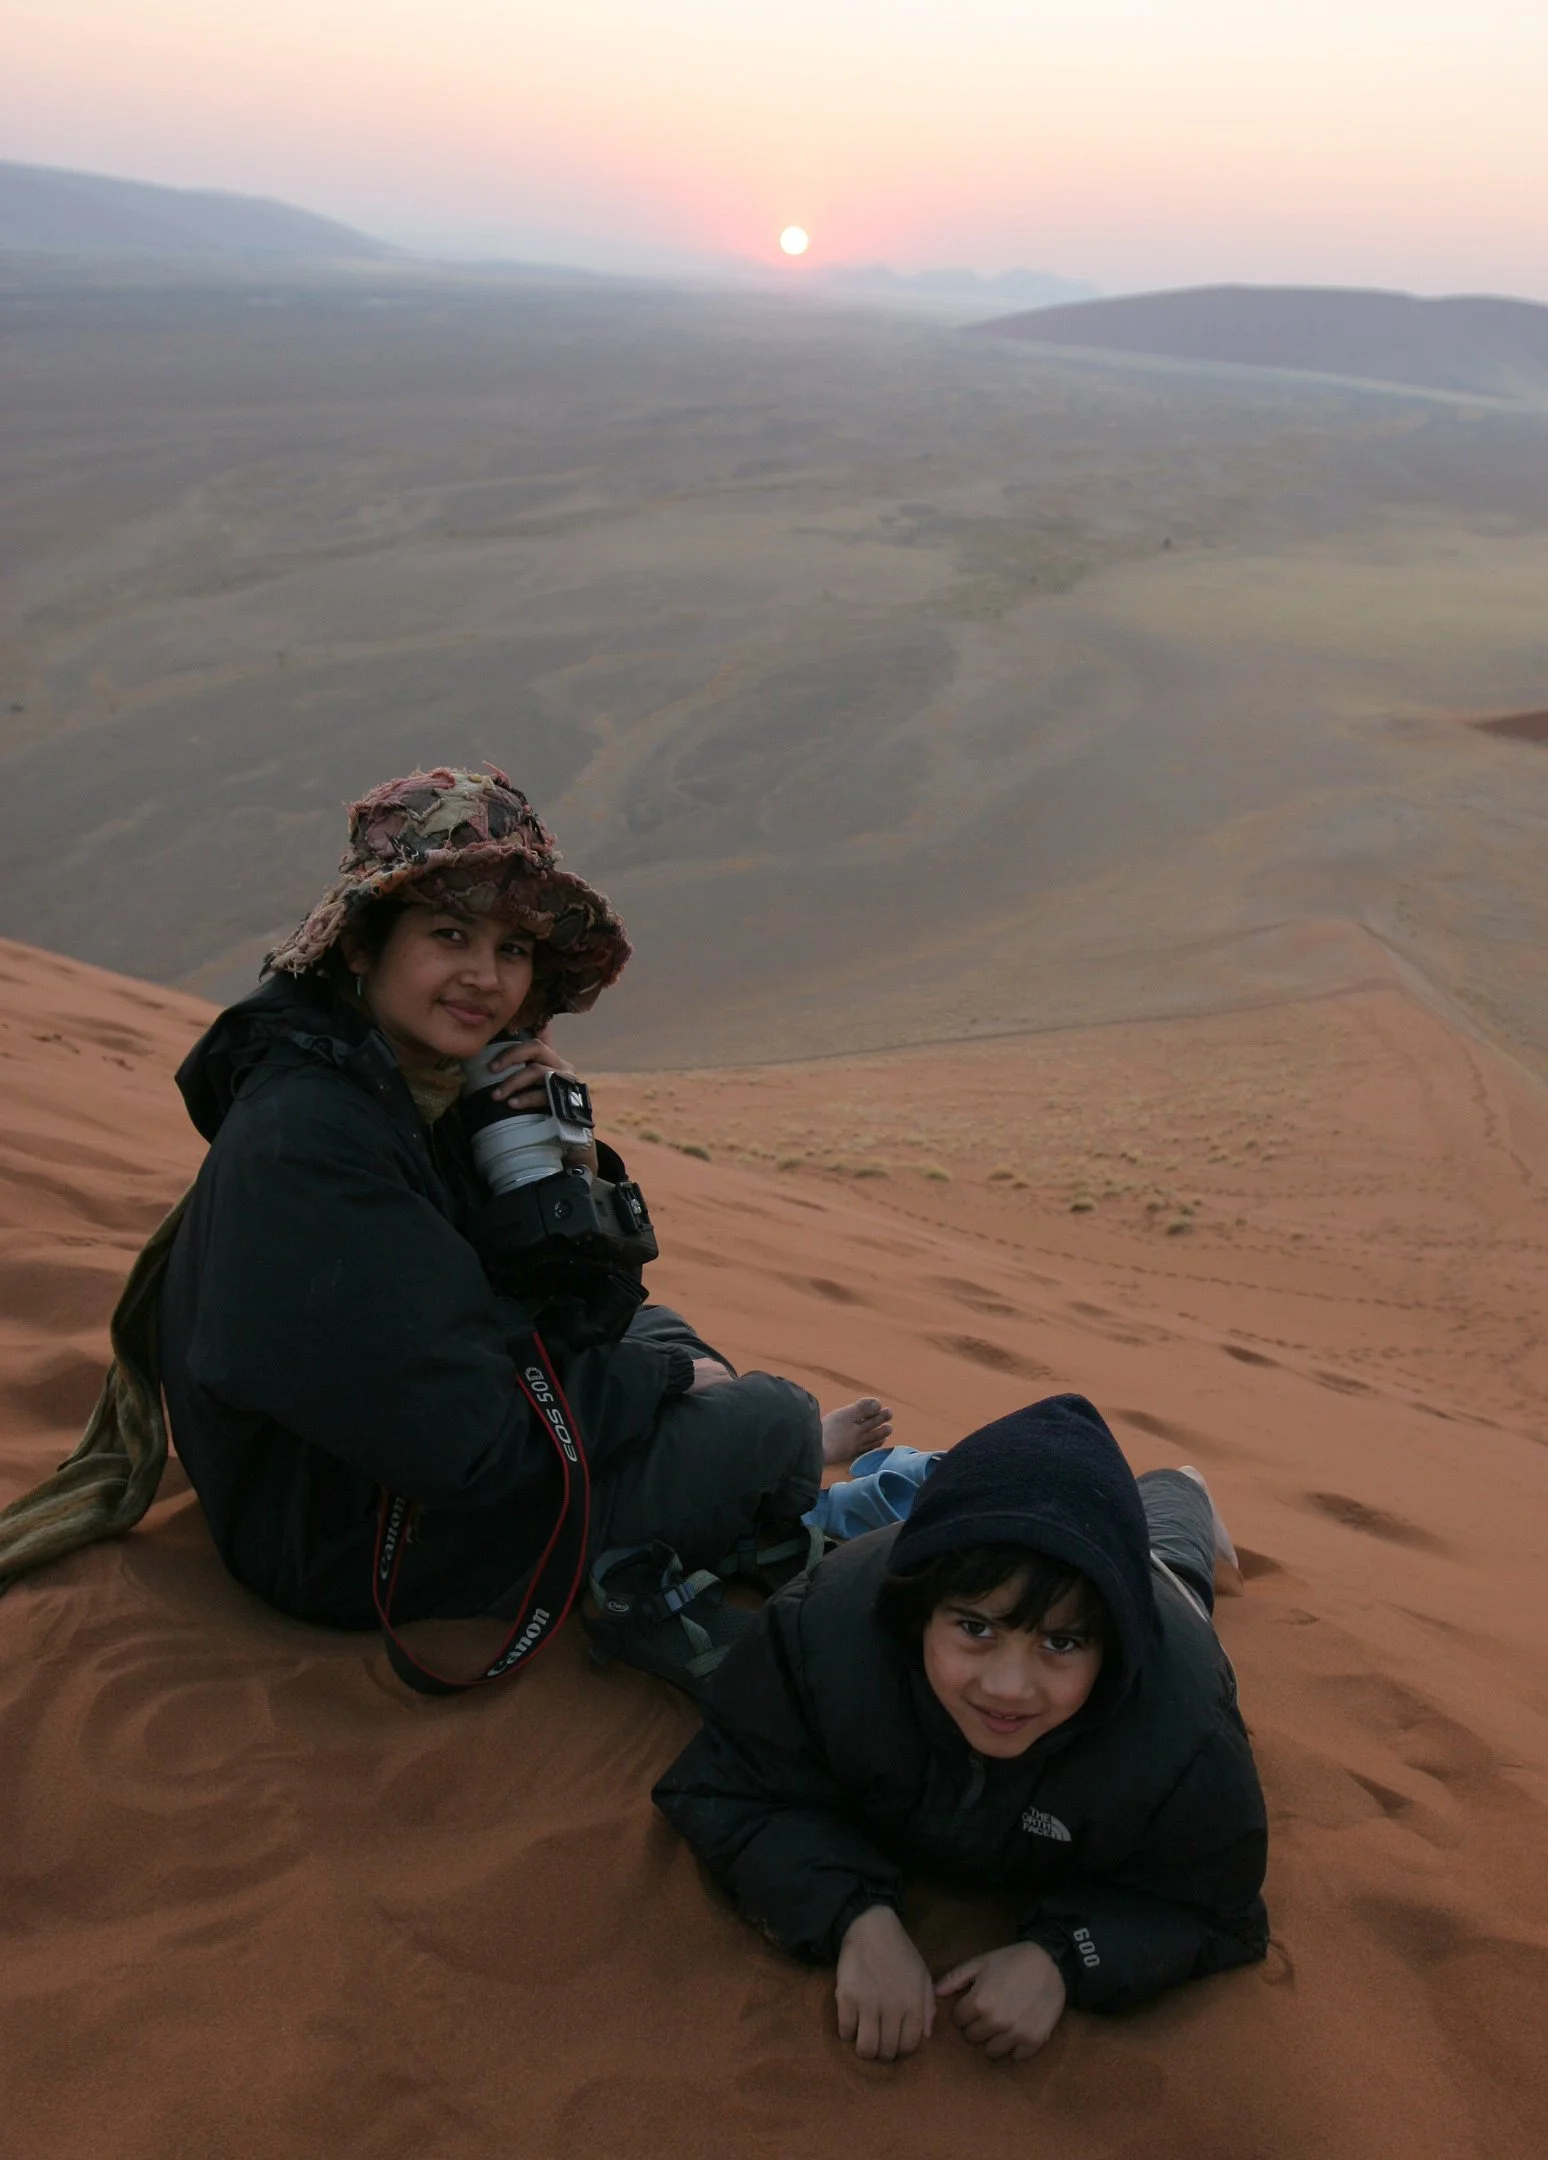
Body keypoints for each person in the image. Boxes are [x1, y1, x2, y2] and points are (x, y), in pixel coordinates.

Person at [148, 765, 890, 1662]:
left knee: (672, 1338)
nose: (483, 977)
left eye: (511, 949)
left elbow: (565, 1312)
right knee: (764, 1412)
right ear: (360, 945)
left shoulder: (414, 1087)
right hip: (344, 1538)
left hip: (390, 1466)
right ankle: (777, 1465)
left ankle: (745, 1467)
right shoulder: (312, 1133)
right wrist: (656, 1390)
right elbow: (467, 1441)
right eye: (449, 933)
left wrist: (556, 1160)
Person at [653, 1394, 1269, 2063]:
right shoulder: (819, 1632)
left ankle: (1181, 1491)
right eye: (976, 1629)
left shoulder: (1183, 1728)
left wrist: (1066, 1958)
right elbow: (728, 1784)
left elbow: (1214, 1905)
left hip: (1151, 1597)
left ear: (1110, 1648)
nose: (1008, 1687)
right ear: (921, 1611)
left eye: (1061, 1645)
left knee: (1174, 1567)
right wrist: (850, 1915)